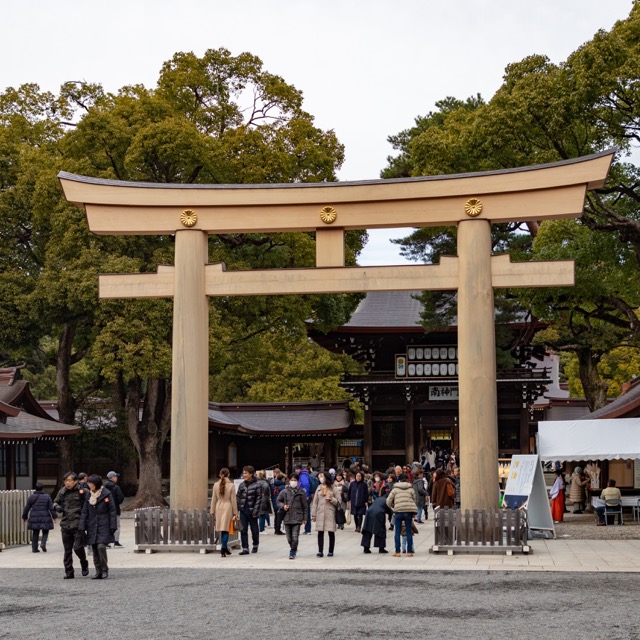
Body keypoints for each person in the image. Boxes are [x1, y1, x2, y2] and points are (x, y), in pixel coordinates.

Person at [78, 474, 116, 579]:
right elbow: (85, 511)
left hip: (104, 524)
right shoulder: (88, 495)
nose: (89, 485)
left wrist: (113, 525)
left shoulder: (106, 494)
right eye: (88, 483)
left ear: (96, 484)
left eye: (91, 483)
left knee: (101, 546)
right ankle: (98, 570)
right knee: (94, 548)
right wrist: (82, 526)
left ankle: (104, 569)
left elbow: (112, 511)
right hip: (92, 524)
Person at [53, 471, 89, 578]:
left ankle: (84, 562)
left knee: (78, 547)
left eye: (69, 480)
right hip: (65, 524)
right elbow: (55, 502)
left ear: (75, 481)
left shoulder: (83, 491)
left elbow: (90, 505)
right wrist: (56, 507)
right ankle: (69, 571)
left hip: (78, 524)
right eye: (65, 481)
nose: (67, 483)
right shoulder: (62, 492)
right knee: (67, 550)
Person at [276, 473, 308, 560]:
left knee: (295, 536)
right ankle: (293, 547)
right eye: (292, 480)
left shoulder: (301, 492)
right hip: (287, 516)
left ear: (298, 481)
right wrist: (283, 506)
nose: (293, 482)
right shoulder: (284, 491)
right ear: (289, 481)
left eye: (295, 480)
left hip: (297, 517)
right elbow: (278, 501)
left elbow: (305, 506)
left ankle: (292, 551)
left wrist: (305, 517)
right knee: (289, 537)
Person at [386, 473, 418, 557]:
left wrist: (393, 507)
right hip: (408, 512)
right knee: (408, 532)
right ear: (407, 479)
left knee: (397, 532)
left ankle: (397, 552)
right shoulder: (411, 489)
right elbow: (415, 500)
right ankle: (410, 552)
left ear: (399, 480)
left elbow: (388, 501)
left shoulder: (395, 489)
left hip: (398, 511)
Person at [210, 467, 238, 556]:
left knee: (222, 529)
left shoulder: (215, 485)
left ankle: (225, 548)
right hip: (228, 506)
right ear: (228, 474)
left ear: (219, 475)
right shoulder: (231, 485)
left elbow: (213, 499)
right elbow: (233, 500)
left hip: (218, 506)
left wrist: (212, 510)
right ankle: (223, 548)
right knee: (226, 529)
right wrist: (235, 512)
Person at [22, 482, 57, 553]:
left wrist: (24, 516)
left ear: (35, 488)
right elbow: (51, 508)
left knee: (35, 532)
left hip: (34, 516)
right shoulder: (47, 496)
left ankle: (34, 548)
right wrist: (54, 516)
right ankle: (43, 543)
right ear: (42, 488)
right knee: (45, 531)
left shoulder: (31, 497)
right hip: (45, 516)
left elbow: (27, 508)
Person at [311, 472, 340, 557]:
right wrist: (313, 514)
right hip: (320, 512)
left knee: (331, 532)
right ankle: (320, 551)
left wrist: (332, 499)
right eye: (320, 476)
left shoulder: (333, 488)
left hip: (330, 512)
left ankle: (331, 550)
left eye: (322, 476)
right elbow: (315, 502)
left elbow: (339, 502)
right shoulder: (319, 488)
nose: (321, 478)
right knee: (320, 532)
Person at [236, 465, 262, 555]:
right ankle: (245, 547)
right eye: (243, 473)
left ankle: (255, 544)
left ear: (251, 474)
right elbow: (238, 496)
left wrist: (255, 510)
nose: (244, 475)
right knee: (243, 530)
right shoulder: (242, 485)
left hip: (252, 511)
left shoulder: (257, 485)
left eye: (246, 473)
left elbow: (259, 499)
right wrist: (238, 507)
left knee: (254, 530)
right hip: (243, 510)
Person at [104, 471, 125, 547]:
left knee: (106, 525)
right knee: (117, 525)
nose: (116, 478)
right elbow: (121, 498)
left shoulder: (104, 487)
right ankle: (116, 541)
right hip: (115, 509)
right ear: (112, 477)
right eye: (115, 476)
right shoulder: (116, 487)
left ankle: (106, 541)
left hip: (105, 510)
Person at [271, 469, 287, 535]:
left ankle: (276, 529)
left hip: (274, 502)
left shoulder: (273, 485)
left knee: (276, 516)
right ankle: (278, 530)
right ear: (282, 479)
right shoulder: (283, 486)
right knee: (279, 517)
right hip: (281, 503)